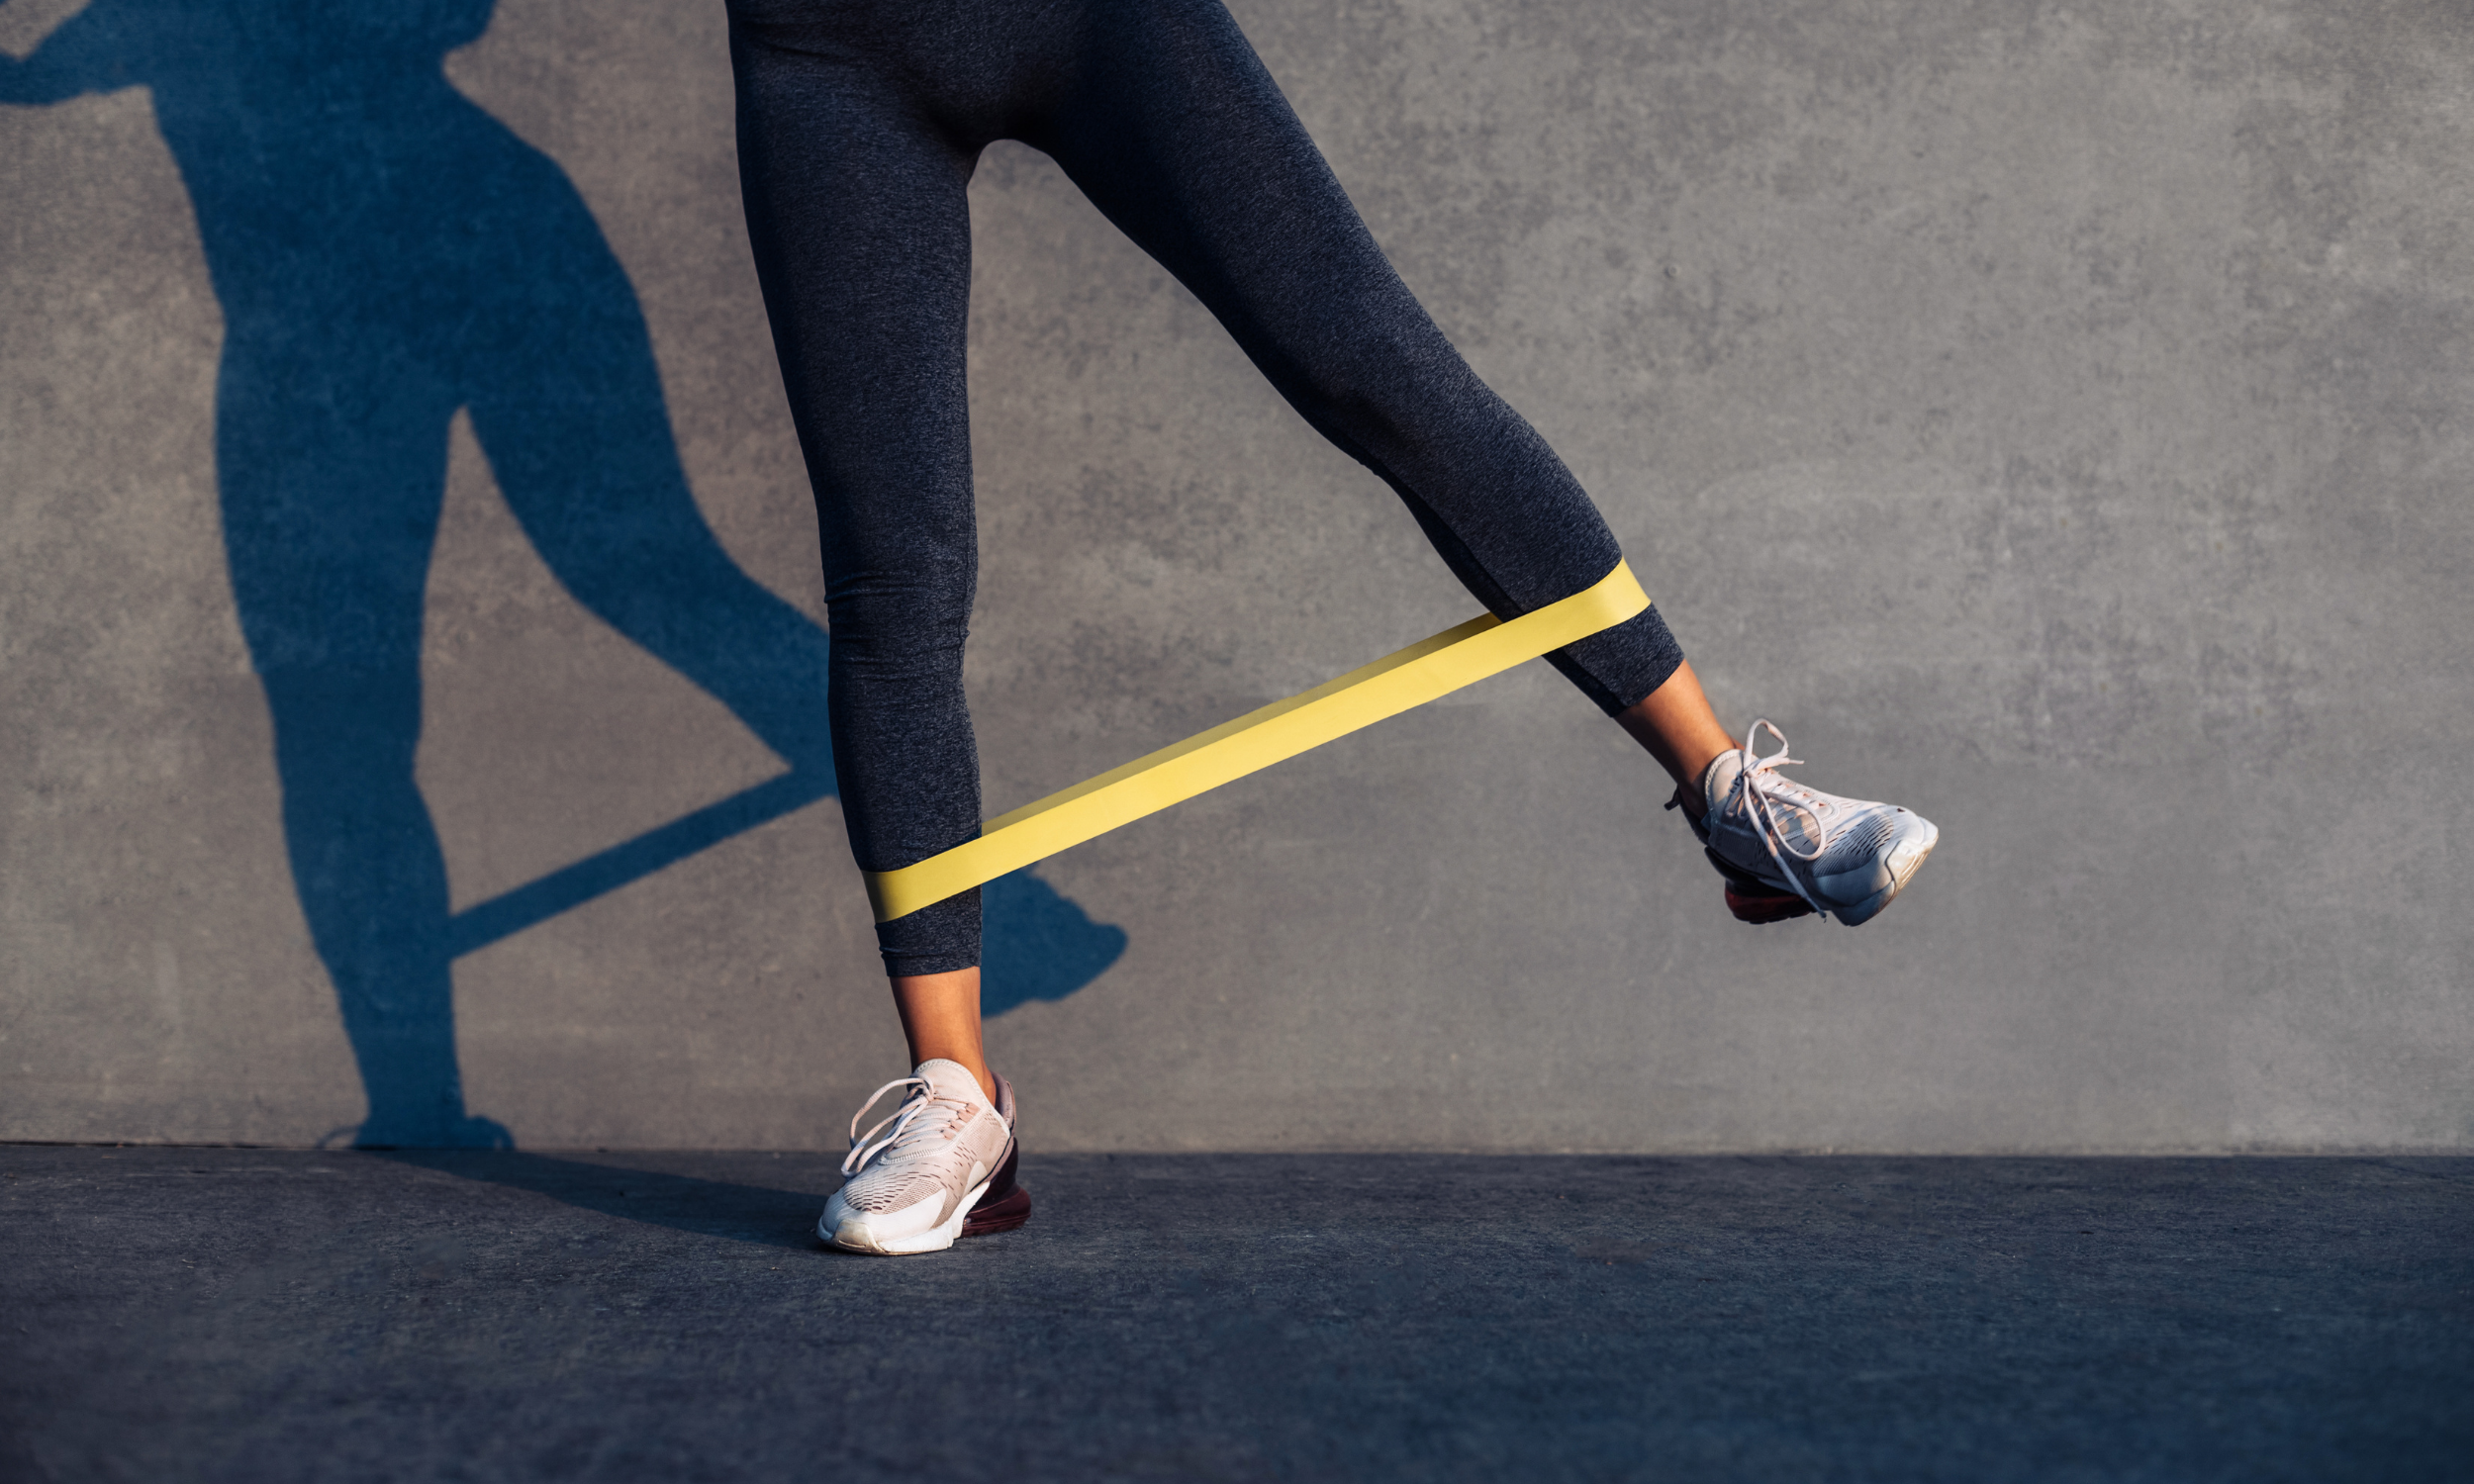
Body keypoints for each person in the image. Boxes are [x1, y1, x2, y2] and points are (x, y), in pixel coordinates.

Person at [723, 0, 1938, 1255]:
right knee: (893, 568)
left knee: (1378, 367)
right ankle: (955, 1097)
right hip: (827, 51)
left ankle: (1730, 796)